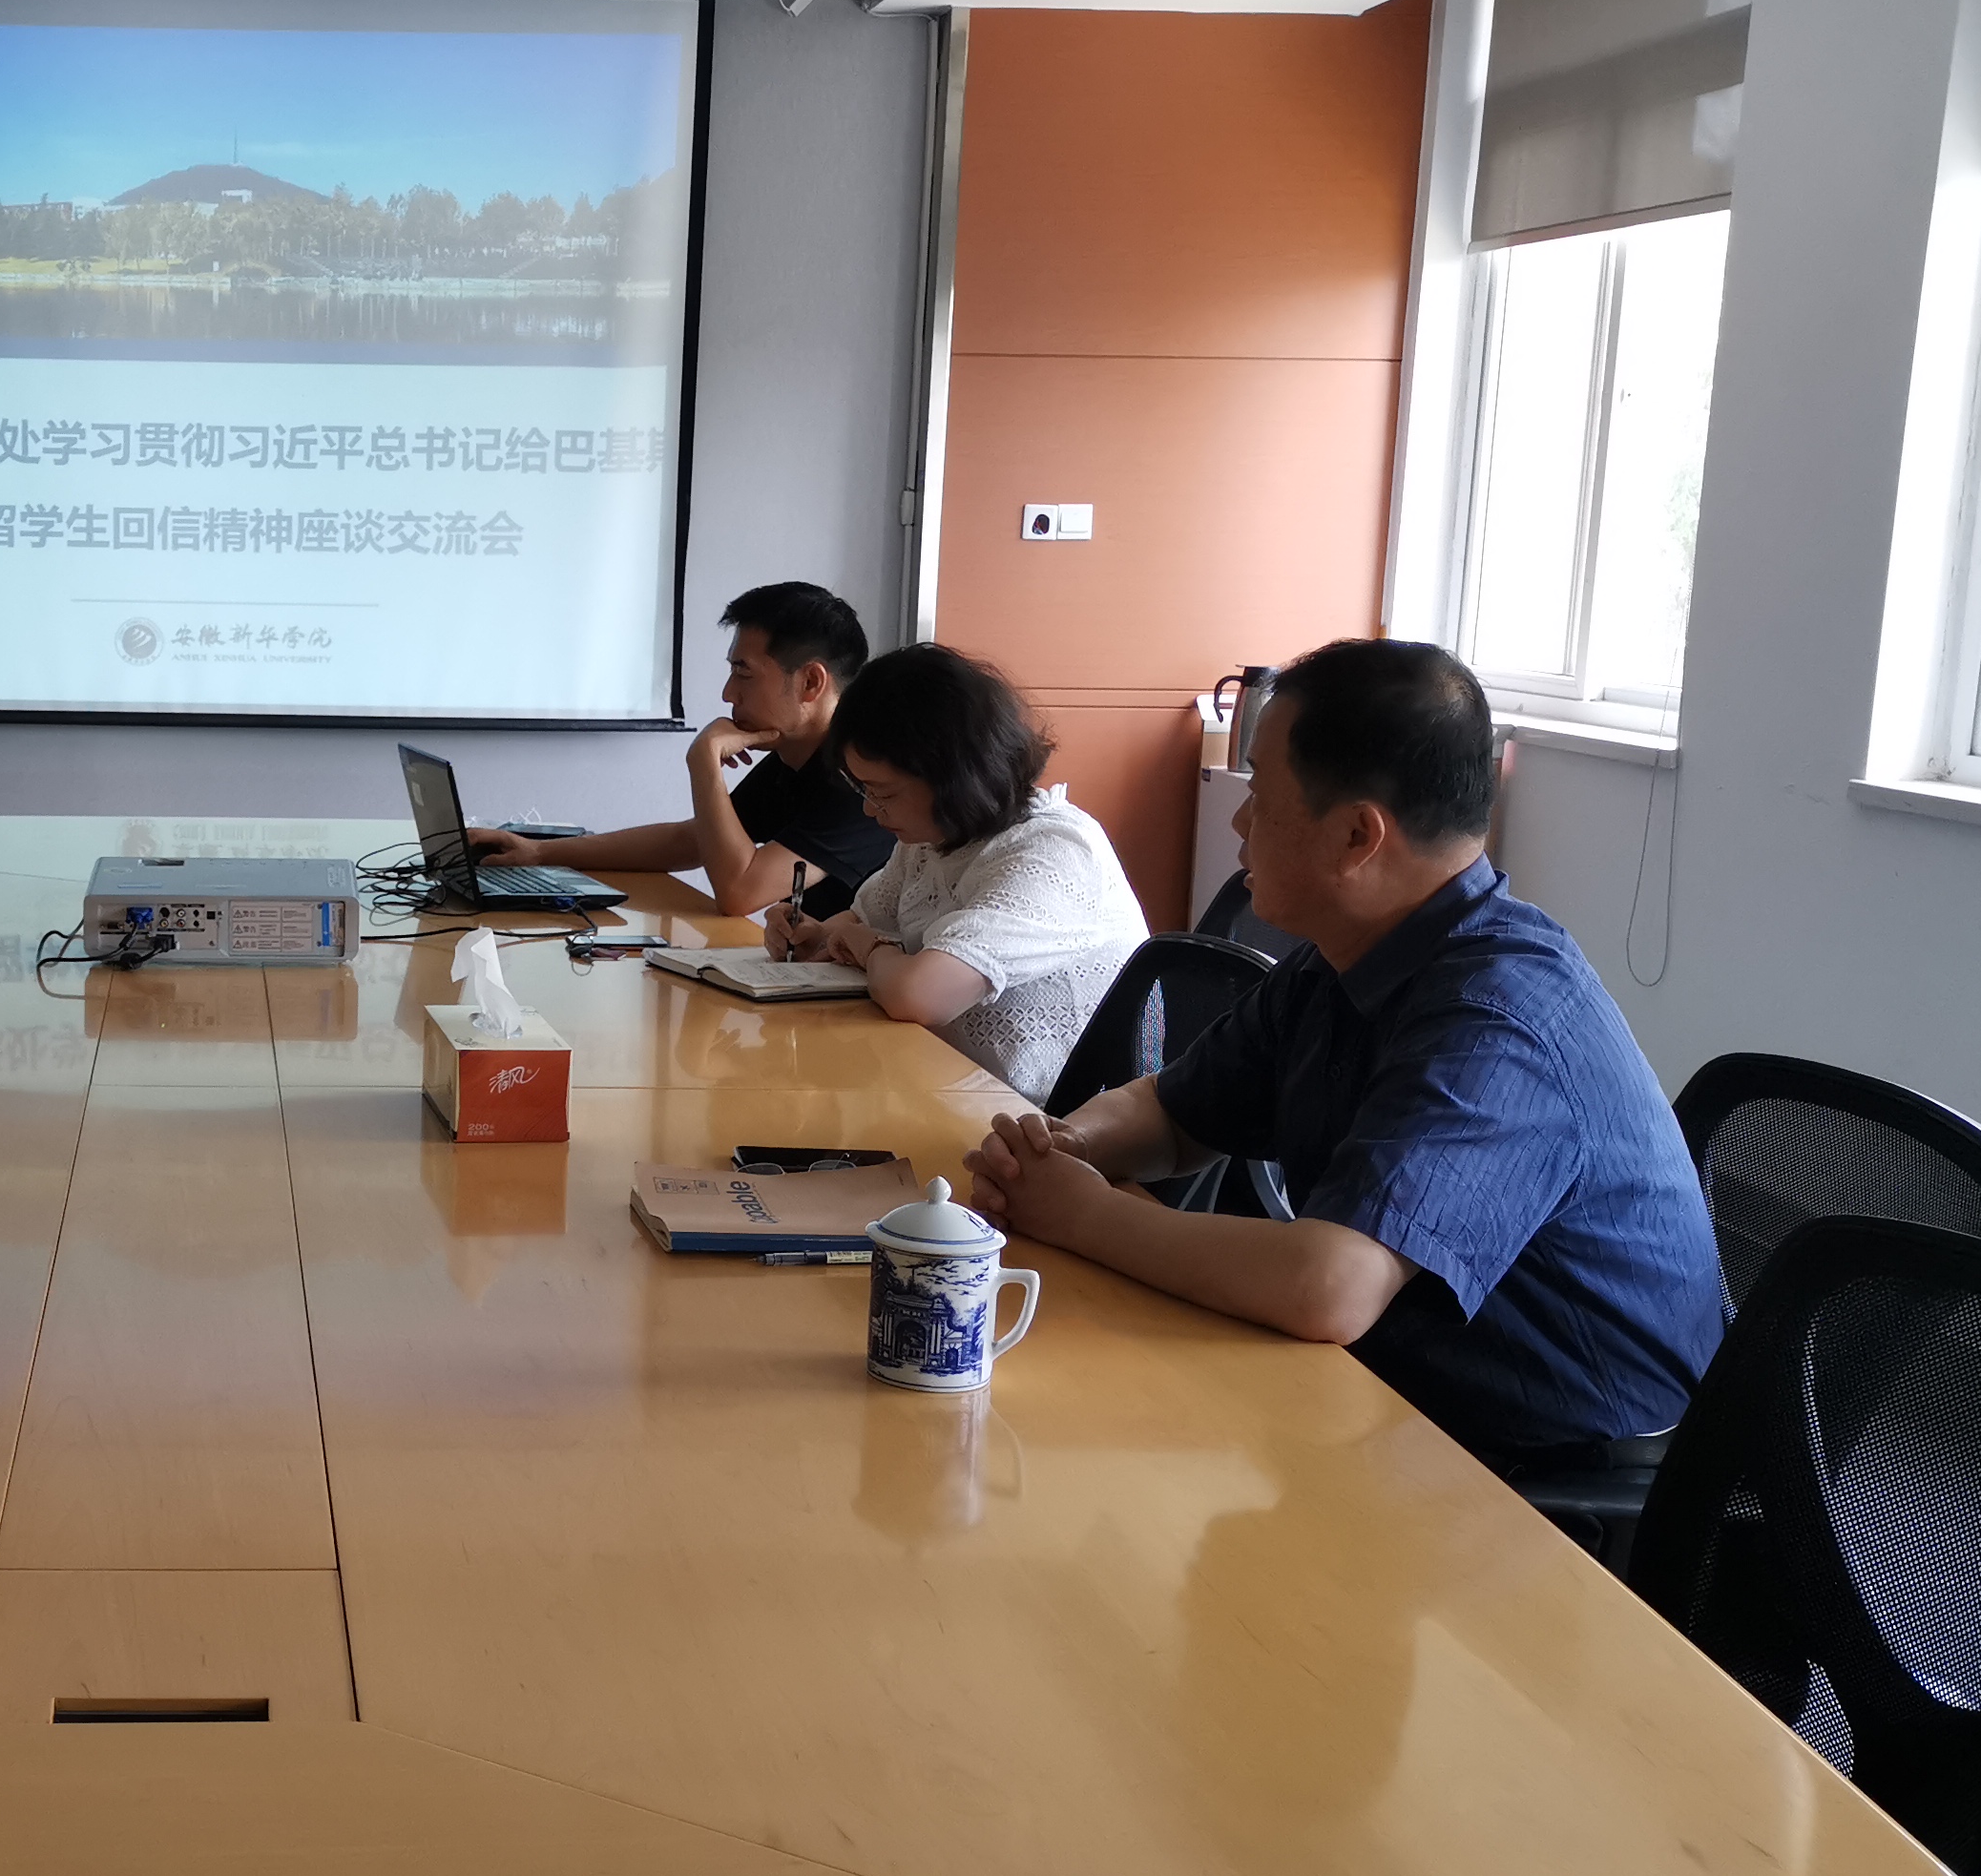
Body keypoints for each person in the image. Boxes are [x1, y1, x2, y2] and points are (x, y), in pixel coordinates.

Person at [967, 638, 1724, 1474]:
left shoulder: (1500, 1019)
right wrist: (1065, 1147)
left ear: (1359, 835)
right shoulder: (1341, 958)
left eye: (1259, 792)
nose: (1239, 821)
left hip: (1549, 1467)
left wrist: (1083, 1214)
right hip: (1390, 1390)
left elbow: (1330, 1287)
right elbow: (1174, 1115)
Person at [760, 643, 1145, 1103]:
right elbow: (862, 921)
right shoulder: (933, 839)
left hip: (1045, 1121)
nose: (869, 809)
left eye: (884, 793)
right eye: (862, 790)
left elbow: (918, 995)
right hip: (945, 1087)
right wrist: (817, 937)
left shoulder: (1054, 851)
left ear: (954, 776)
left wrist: (866, 945)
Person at [463, 582, 893, 918]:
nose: (728, 693)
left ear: (811, 682)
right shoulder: (795, 758)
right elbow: (689, 841)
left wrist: (703, 762)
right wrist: (538, 852)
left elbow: (739, 893)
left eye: (743, 673)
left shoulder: (863, 778)